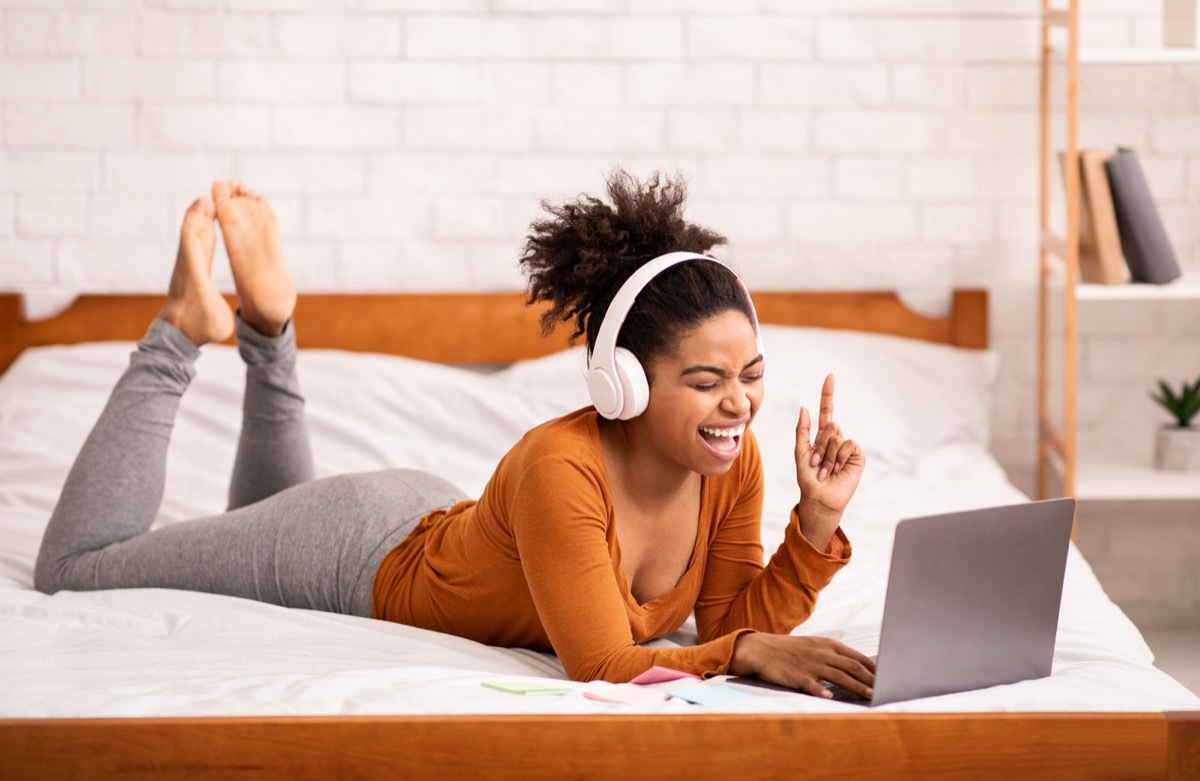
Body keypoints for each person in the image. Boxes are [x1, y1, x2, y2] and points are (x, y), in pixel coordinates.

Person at [34, 173, 875, 699]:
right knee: (75, 568)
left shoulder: (731, 460)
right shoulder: (562, 466)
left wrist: (813, 527)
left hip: (424, 520)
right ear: (622, 381)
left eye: (752, 374)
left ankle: (268, 326)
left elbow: (726, 621)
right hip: (352, 550)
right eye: (706, 380)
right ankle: (183, 326)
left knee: (254, 514)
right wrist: (751, 648)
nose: (739, 404)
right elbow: (605, 666)